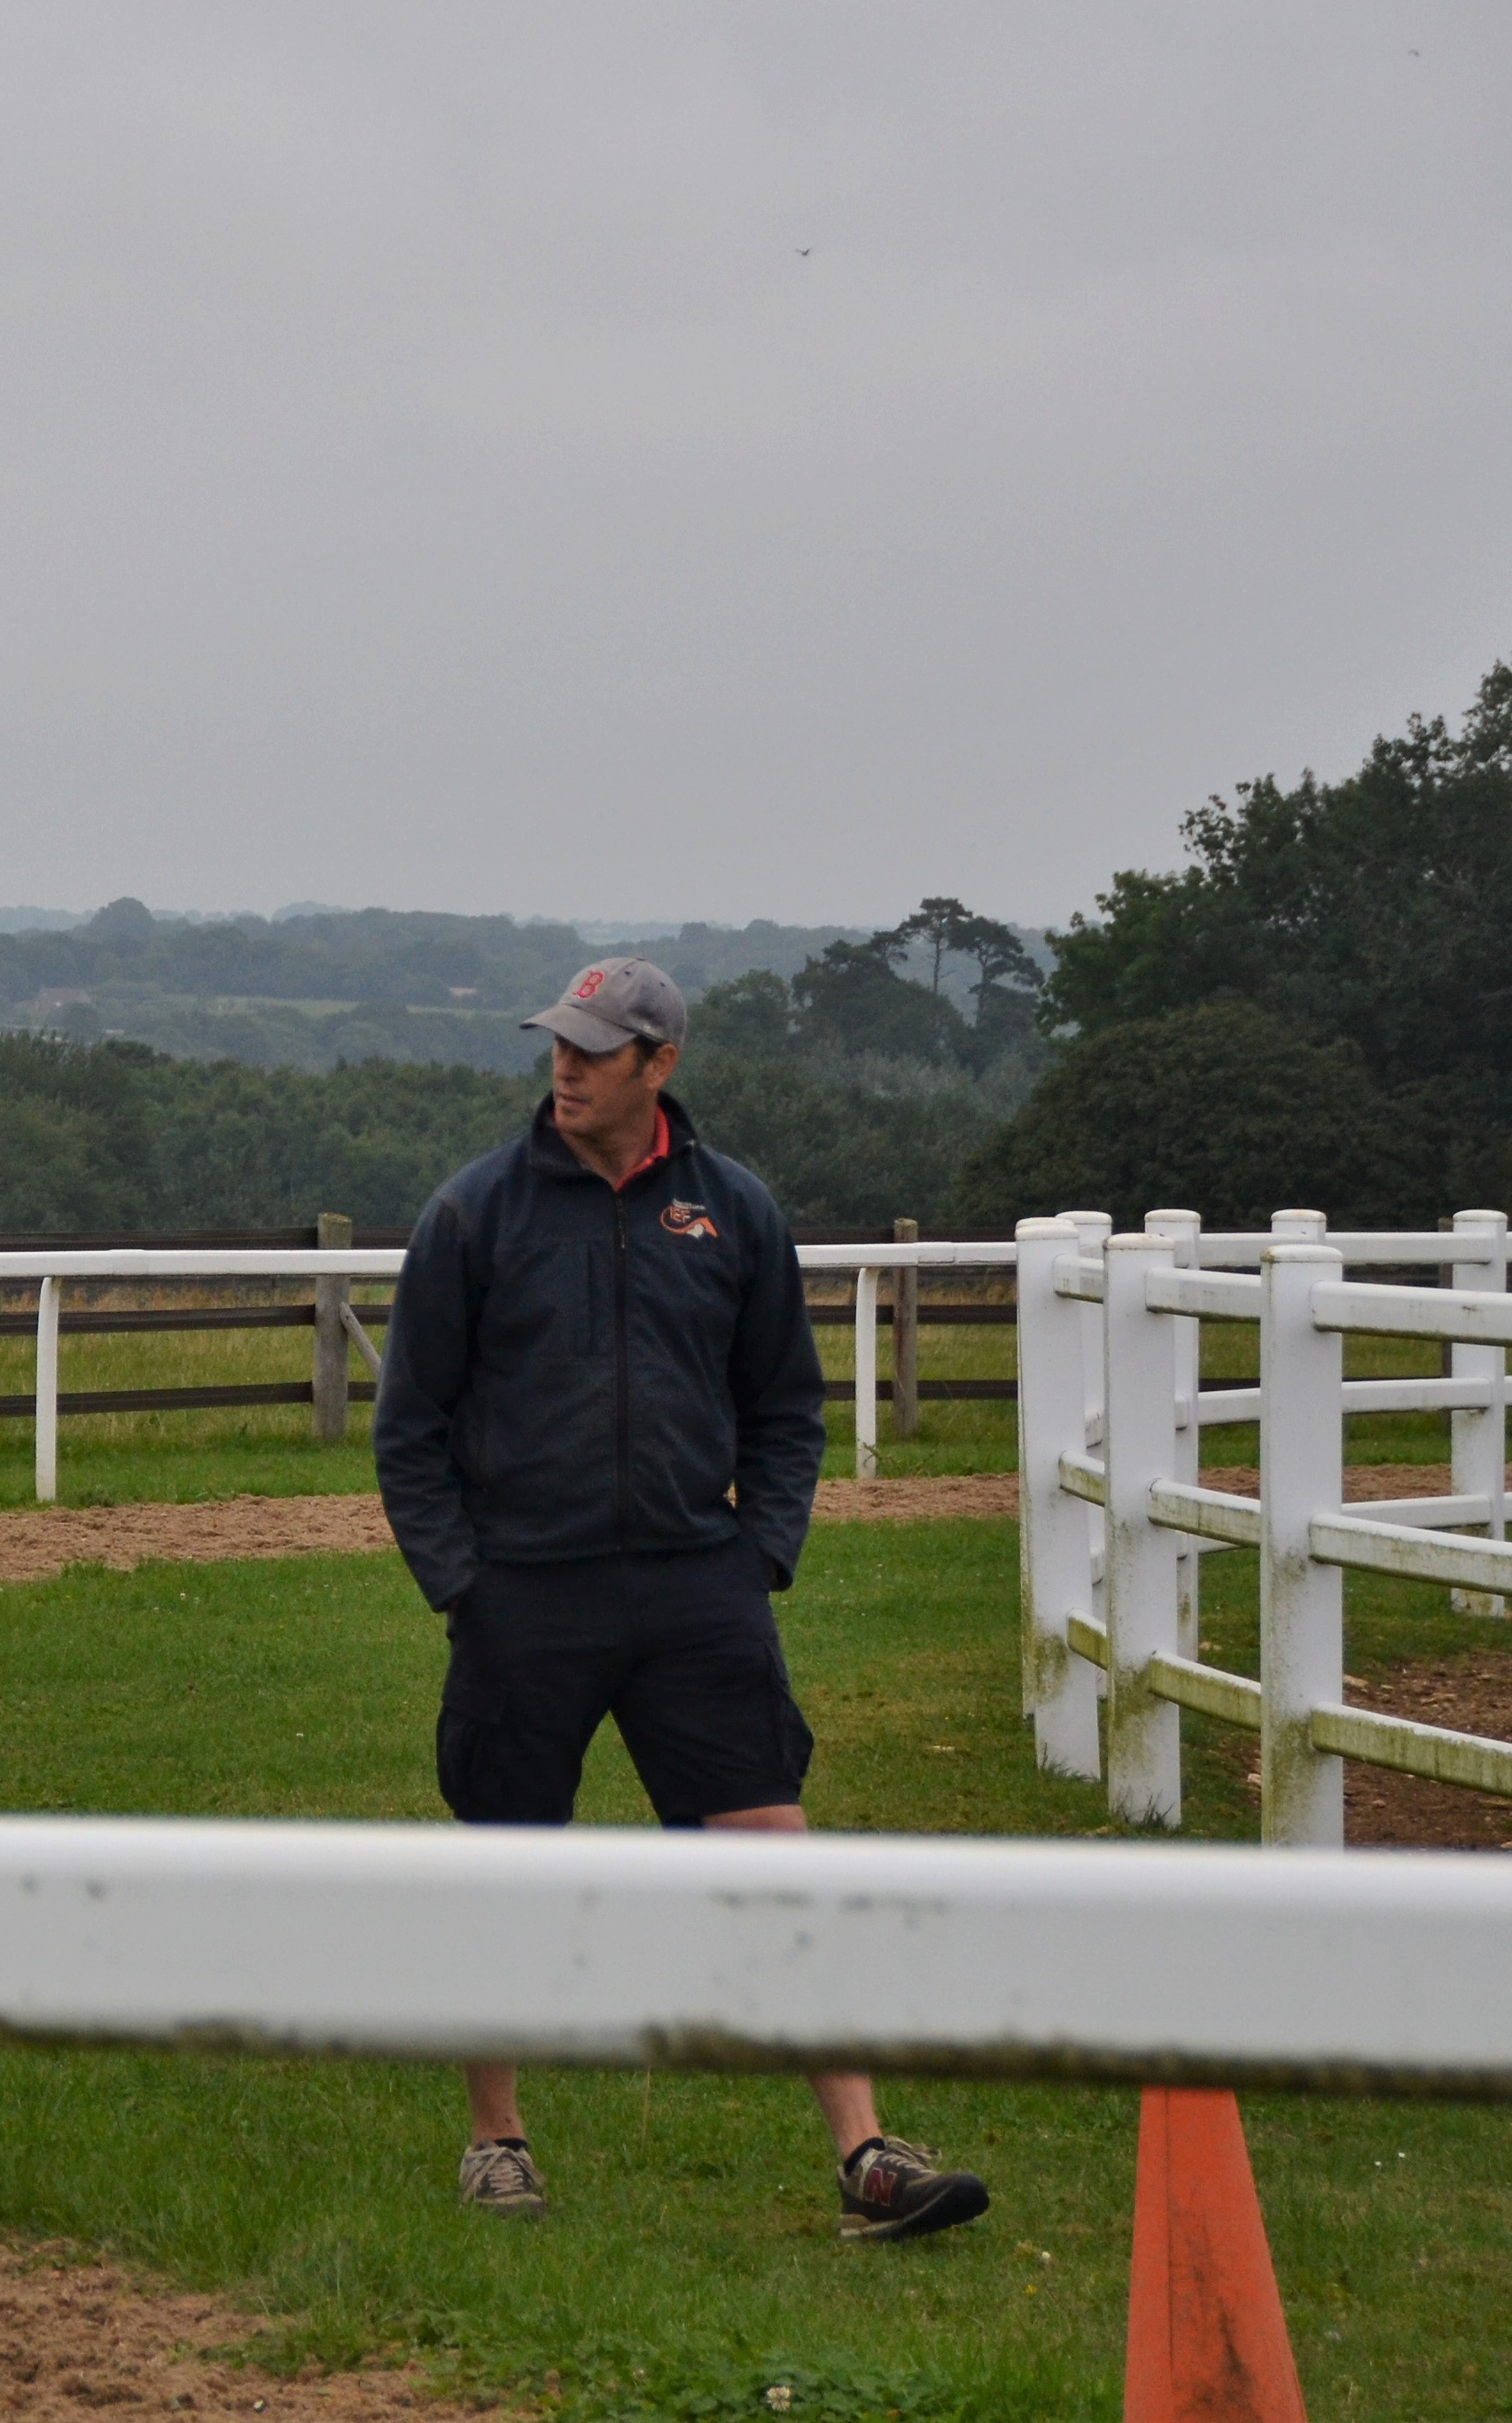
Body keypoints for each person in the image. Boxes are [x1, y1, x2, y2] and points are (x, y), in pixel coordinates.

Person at [371, 954, 990, 2240]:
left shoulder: (736, 1212)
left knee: (776, 1862)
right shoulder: (476, 1213)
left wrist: (757, 1551)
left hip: (697, 1593)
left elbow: (785, 1405)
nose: (567, 1065)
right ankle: (497, 2142)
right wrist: (463, 1586)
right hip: (523, 1598)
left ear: (660, 1065)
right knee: (507, 1865)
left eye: (597, 1048)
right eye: (560, 1042)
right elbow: (410, 1426)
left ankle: (867, 2155)